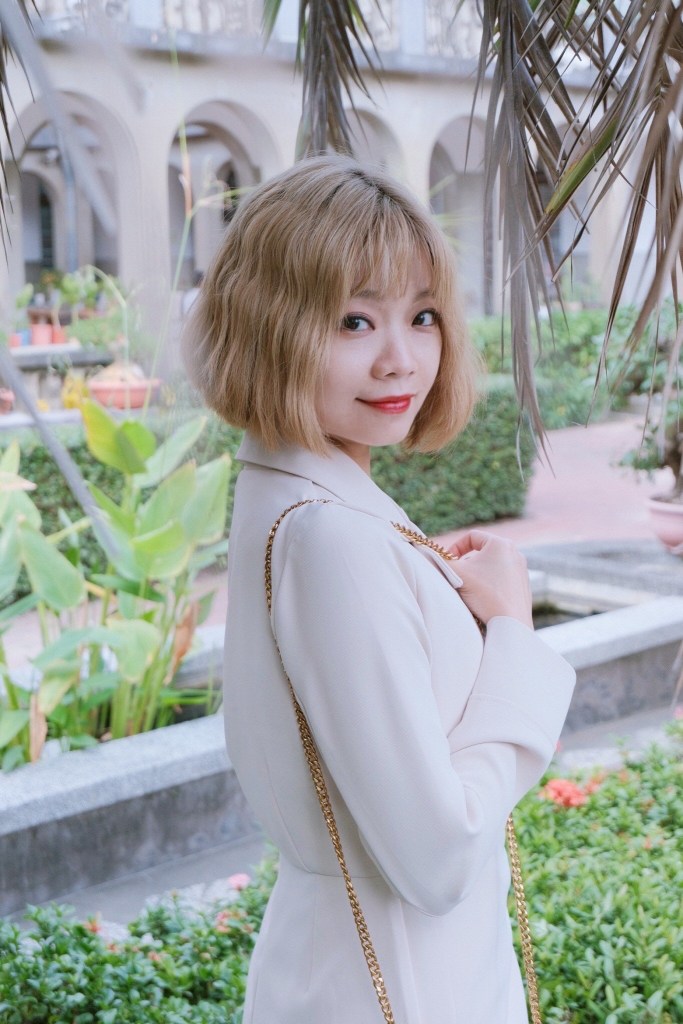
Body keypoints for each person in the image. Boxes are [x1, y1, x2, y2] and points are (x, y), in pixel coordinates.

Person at [185, 155, 576, 1024]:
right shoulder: (330, 538)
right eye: (354, 320)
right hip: (404, 984)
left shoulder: (297, 498)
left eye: (422, 316)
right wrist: (511, 634)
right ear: (269, 325)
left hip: (354, 970)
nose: (402, 360)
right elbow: (438, 857)